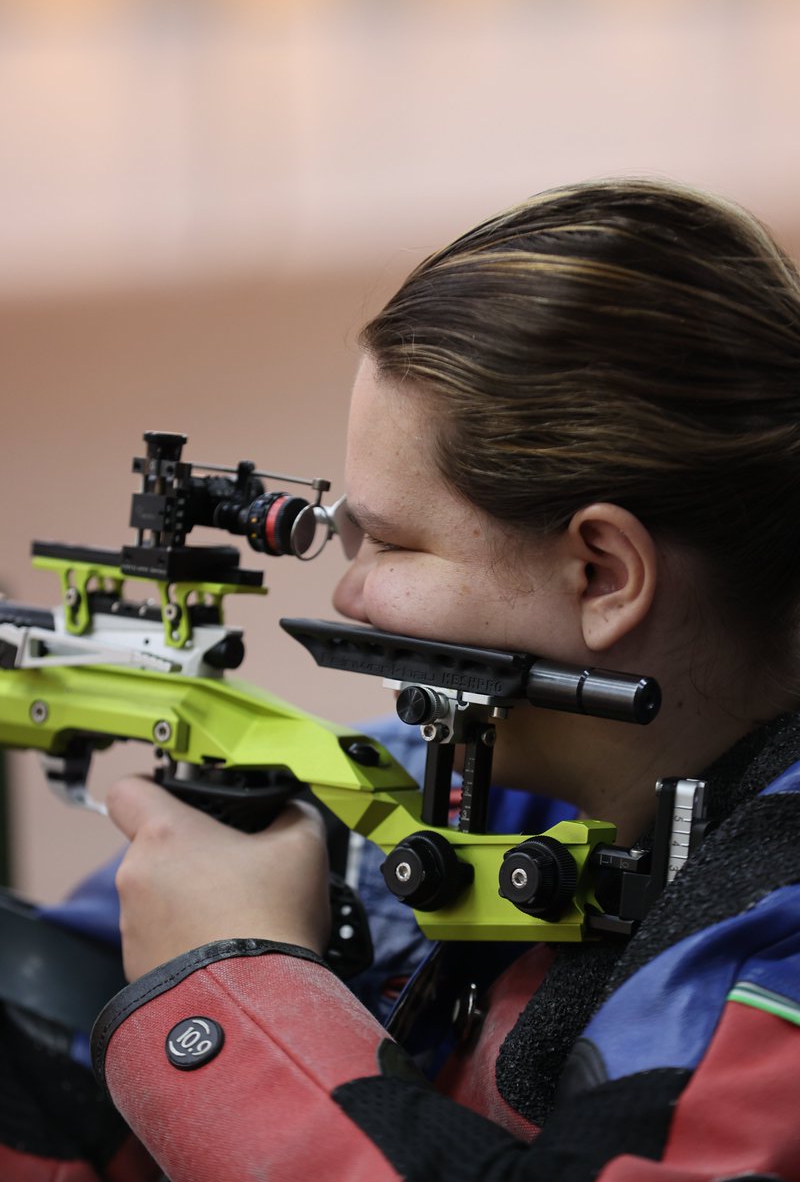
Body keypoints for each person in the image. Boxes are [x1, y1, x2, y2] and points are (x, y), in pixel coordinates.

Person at [19, 177, 800, 1179]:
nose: (350, 595)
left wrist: (229, 981)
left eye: (389, 542)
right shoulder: (478, 780)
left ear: (602, 573)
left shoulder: (766, 967)